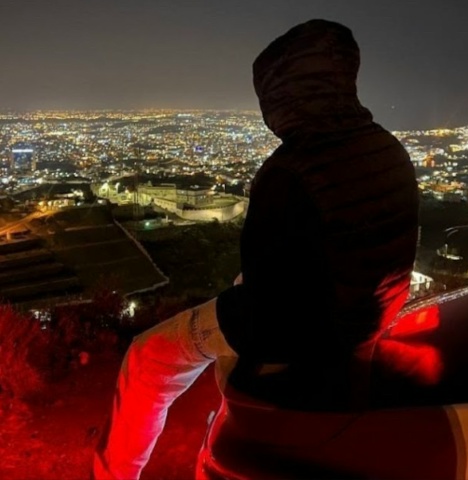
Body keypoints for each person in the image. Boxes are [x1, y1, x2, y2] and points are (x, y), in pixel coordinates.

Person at [93, 18, 419, 479]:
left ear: (284, 93)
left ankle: (113, 472)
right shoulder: (386, 147)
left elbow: (263, 298)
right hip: (372, 313)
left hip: (308, 332)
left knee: (148, 359)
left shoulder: (290, 171)